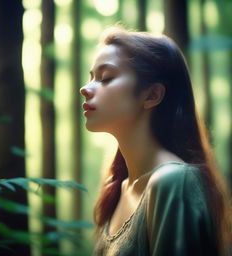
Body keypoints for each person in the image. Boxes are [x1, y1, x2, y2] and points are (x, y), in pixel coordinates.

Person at [79, 26, 232, 256]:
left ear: (152, 95)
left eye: (105, 78)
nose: (85, 88)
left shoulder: (173, 182)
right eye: (91, 77)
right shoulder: (119, 188)